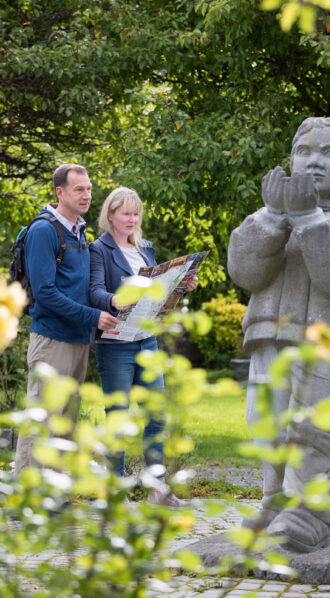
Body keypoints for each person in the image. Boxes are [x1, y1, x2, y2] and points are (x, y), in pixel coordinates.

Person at [228, 118, 330, 552]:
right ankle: (275, 501)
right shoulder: (273, 218)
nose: (312, 162)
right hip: (272, 337)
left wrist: (308, 218)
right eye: (303, 151)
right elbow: (244, 270)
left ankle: (309, 515)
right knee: (267, 425)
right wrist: (272, 216)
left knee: (316, 431)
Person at [89, 186, 197, 506]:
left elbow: (158, 291)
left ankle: (157, 490)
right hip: (115, 345)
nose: (132, 219)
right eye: (126, 213)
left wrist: (180, 285)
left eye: (136, 214)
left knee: (156, 417)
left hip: (146, 341)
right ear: (110, 215)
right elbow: (93, 291)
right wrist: (114, 300)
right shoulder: (99, 250)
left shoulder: (146, 248)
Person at [15, 164, 119, 475]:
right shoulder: (44, 231)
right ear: (60, 192)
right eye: (79, 189)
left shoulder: (79, 230)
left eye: (88, 189)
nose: (87, 195)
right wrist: (92, 316)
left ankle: (54, 494)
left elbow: (86, 287)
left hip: (77, 338)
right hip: (51, 340)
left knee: (65, 422)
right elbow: (46, 292)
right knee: (43, 418)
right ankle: (29, 495)